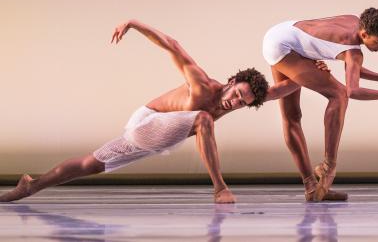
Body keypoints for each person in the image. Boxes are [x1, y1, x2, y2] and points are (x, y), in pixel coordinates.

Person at [1, 20, 299, 204]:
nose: (233, 103)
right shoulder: (202, 85)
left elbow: (278, 91)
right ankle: (220, 188)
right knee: (205, 119)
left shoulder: (237, 99)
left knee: (90, 164)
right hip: (148, 123)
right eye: (236, 94)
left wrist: (315, 71)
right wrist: (133, 23)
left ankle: (31, 186)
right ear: (231, 81)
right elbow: (173, 46)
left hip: (166, 136)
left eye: (241, 103)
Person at [262, 8, 378, 201]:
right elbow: (353, 91)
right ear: (364, 34)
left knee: (291, 115)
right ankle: (328, 166)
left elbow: (352, 66)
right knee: (340, 94)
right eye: (377, 42)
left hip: (280, 33)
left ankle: (312, 187)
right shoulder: (354, 52)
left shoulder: (354, 20)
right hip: (285, 49)